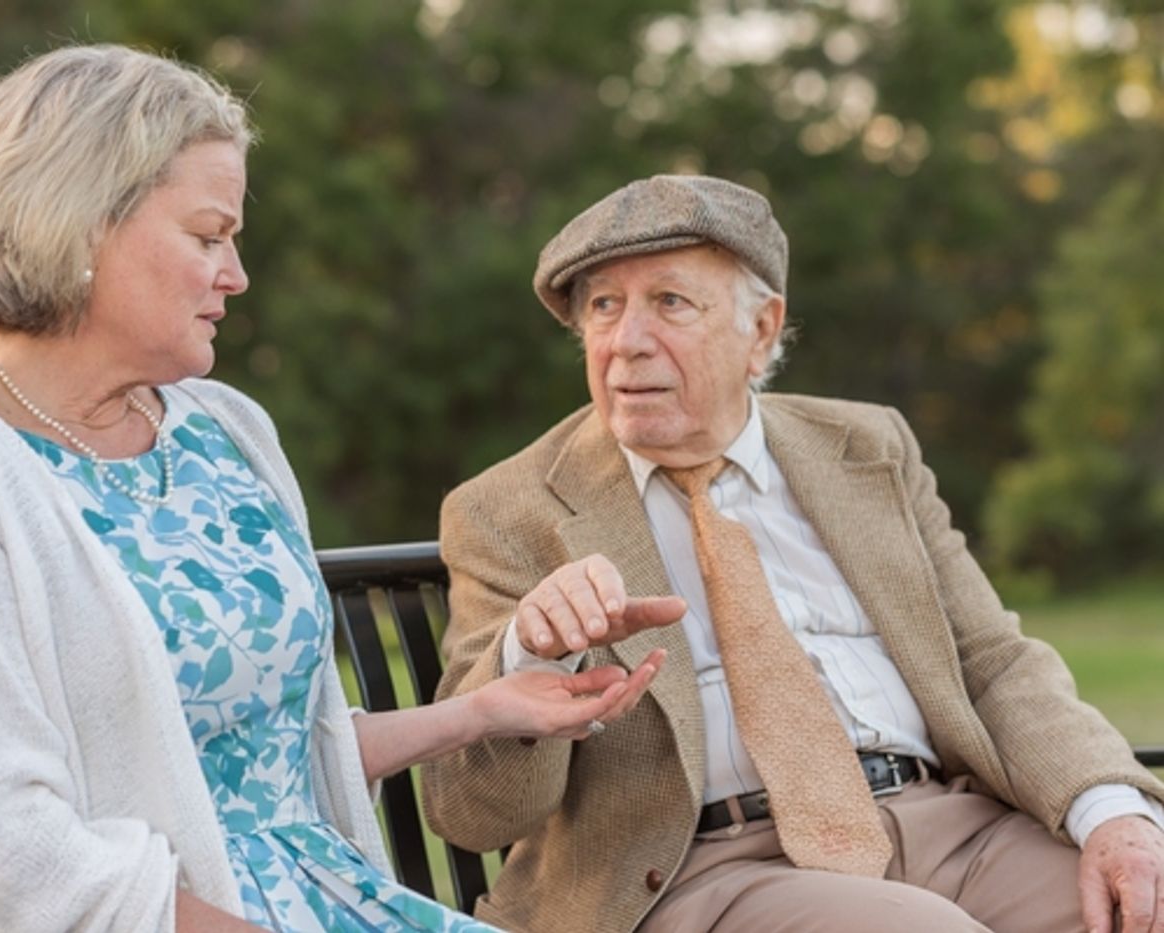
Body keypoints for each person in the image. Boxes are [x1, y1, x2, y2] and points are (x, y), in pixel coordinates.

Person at [0, 44, 666, 933]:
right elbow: (23, 853)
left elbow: (267, 760)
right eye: (207, 237)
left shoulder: (224, 426)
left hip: (322, 899)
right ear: (80, 226)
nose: (234, 275)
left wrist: (482, 709)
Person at [420, 173, 1164, 933]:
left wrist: (1112, 813)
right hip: (704, 869)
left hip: (952, 830)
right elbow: (470, 810)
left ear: (762, 330)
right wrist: (532, 658)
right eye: (604, 306)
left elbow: (993, 661)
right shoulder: (510, 511)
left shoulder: (868, 448)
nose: (625, 340)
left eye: (669, 302)